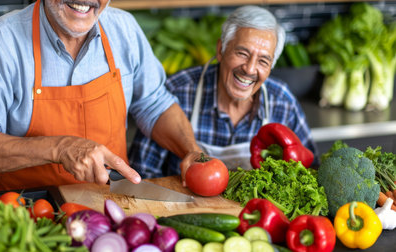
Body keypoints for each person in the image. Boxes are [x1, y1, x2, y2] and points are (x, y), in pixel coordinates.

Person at [0, 0, 202, 191]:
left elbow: (155, 105)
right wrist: (60, 148)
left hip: (113, 205)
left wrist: (190, 150)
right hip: (28, 212)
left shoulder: (124, 28)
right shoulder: (0, 41)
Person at [129, 5, 318, 179]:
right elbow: (142, 173)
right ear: (221, 50)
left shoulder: (283, 102)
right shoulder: (179, 91)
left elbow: (310, 171)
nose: (250, 69)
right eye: (242, 53)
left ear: (271, 67)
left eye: (263, 61)